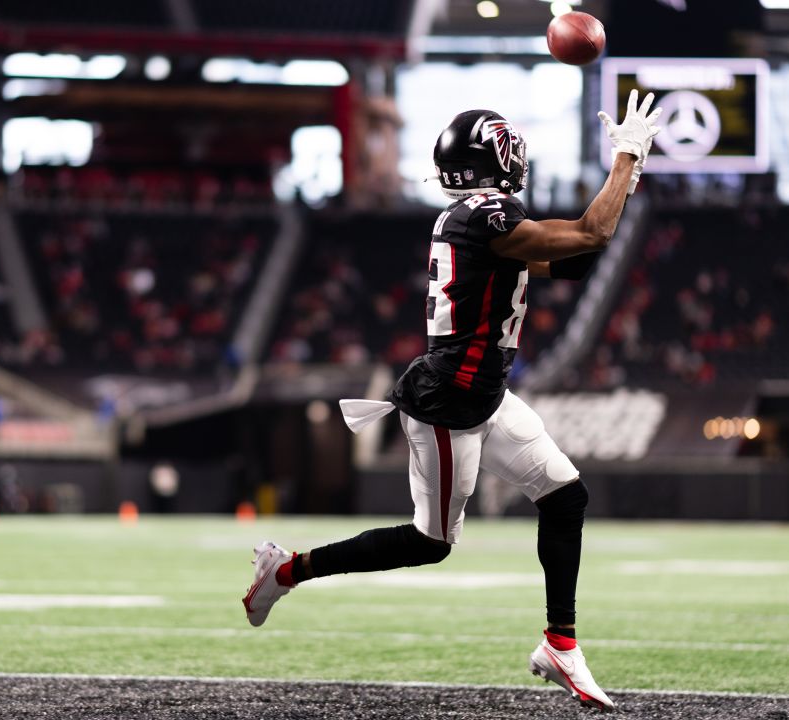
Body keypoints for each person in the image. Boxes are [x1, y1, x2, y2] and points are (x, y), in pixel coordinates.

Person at [243, 91, 662, 713]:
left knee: (565, 495)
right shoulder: (485, 216)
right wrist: (625, 161)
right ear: (498, 157)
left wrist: (622, 183)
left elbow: (573, 259)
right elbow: (590, 232)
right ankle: (285, 570)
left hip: (482, 394)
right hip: (448, 405)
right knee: (429, 543)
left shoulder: (474, 220)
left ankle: (560, 642)